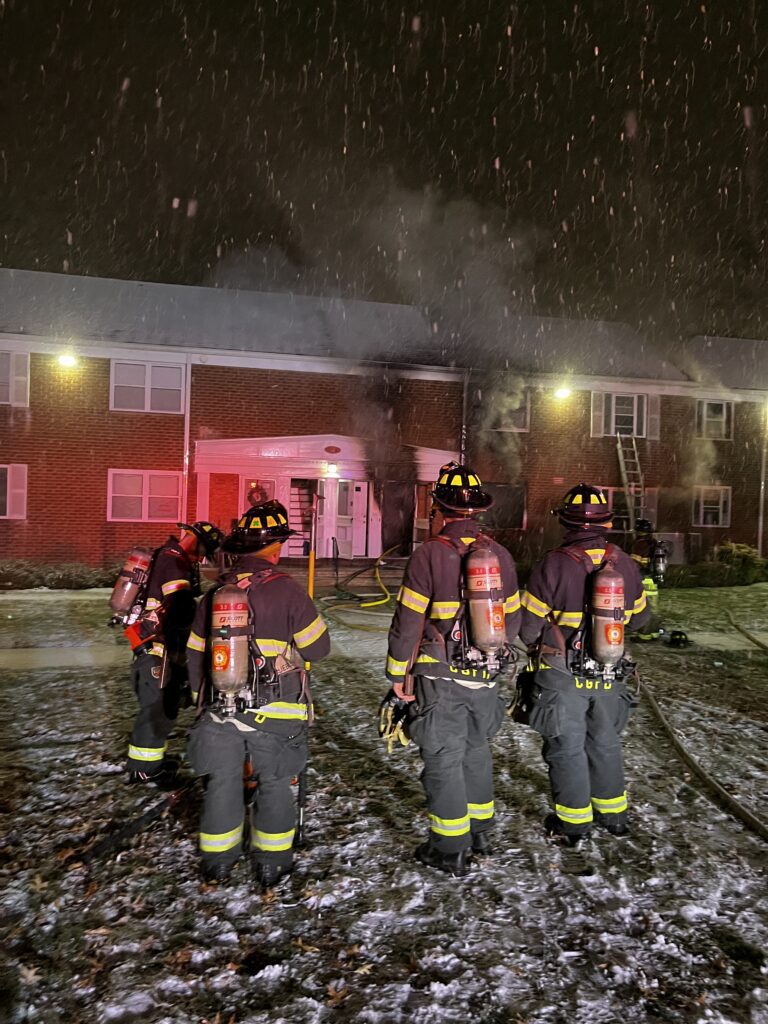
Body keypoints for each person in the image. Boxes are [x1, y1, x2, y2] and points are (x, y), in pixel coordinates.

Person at [385, 462, 521, 877]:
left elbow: (409, 621)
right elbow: (513, 620)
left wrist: (397, 675)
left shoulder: (429, 554)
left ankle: (449, 848)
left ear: (439, 507)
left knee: (443, 757)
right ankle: (480, 834)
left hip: (440, 677)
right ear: (479, 509)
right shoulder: (500, 555)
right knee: (476, 750)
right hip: (485, 673)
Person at [185, 499, 330, 886]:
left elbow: (195, 653)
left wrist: (204, 701)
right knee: (275, 783)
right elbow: (318, 649)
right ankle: (271, 864)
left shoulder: (216, 594)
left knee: (223, 782)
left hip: (220, 710)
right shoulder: (288, 591)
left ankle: (218, 863)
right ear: (276, 547)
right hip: (277, 712)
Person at [519, 483, 650, 846]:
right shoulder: (624, 563)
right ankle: (614, 817)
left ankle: (573, 825)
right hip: (609, 669)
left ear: (566, 521)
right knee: (605, 742)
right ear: (606, 522)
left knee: (567, 747)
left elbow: (527, 627)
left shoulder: (553, 563)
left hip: (562, 672)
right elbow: (641, 620)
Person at [126, 521, 224, 788]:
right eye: (203, 551)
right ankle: (145, 770)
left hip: (152, 644)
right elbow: (181, 609)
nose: (201, 558)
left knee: (161, 706)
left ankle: (148, 763)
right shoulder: (175, 563)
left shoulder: (166, 555)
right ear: (196, 541)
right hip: (157, 648)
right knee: (157, 709)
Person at [630, 519, 668, 641]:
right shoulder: (654, 543)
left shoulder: (639, 544)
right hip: (653, 580)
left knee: (643, 608)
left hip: (643, 579)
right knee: (653, 608)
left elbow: (634, 564)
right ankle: (654, 632)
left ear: (638, 531)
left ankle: (644, 635)